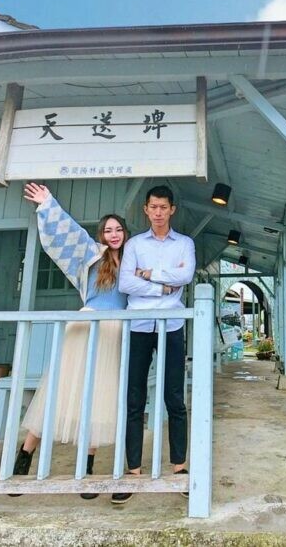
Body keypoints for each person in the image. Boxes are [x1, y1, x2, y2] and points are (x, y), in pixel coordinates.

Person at [12, 182, 128, 501]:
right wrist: (47, 203)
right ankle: (24, 456)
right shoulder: (92, 253)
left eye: (119, 229)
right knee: (59, 389)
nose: (114, 234)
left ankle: (85, 469)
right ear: (102, 234)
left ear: (125, 233)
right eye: (108, 230)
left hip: (114, 331)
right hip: (86, 323)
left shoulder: (132, 260)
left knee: (100, 396)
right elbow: (69, 232)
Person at [114, 185, 195, 503]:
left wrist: (148, 273)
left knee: (175, 397)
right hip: (139, 325)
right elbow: (125, 282)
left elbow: (186, 276)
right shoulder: (134, 244)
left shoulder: (184, 243)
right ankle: (133, 471)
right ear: (145, 210)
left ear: (172, 209)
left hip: (172, 325)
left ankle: (180, 468)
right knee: (134, 398)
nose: (158, 212)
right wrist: (161, 286)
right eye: (153, 207)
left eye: (163, 207)